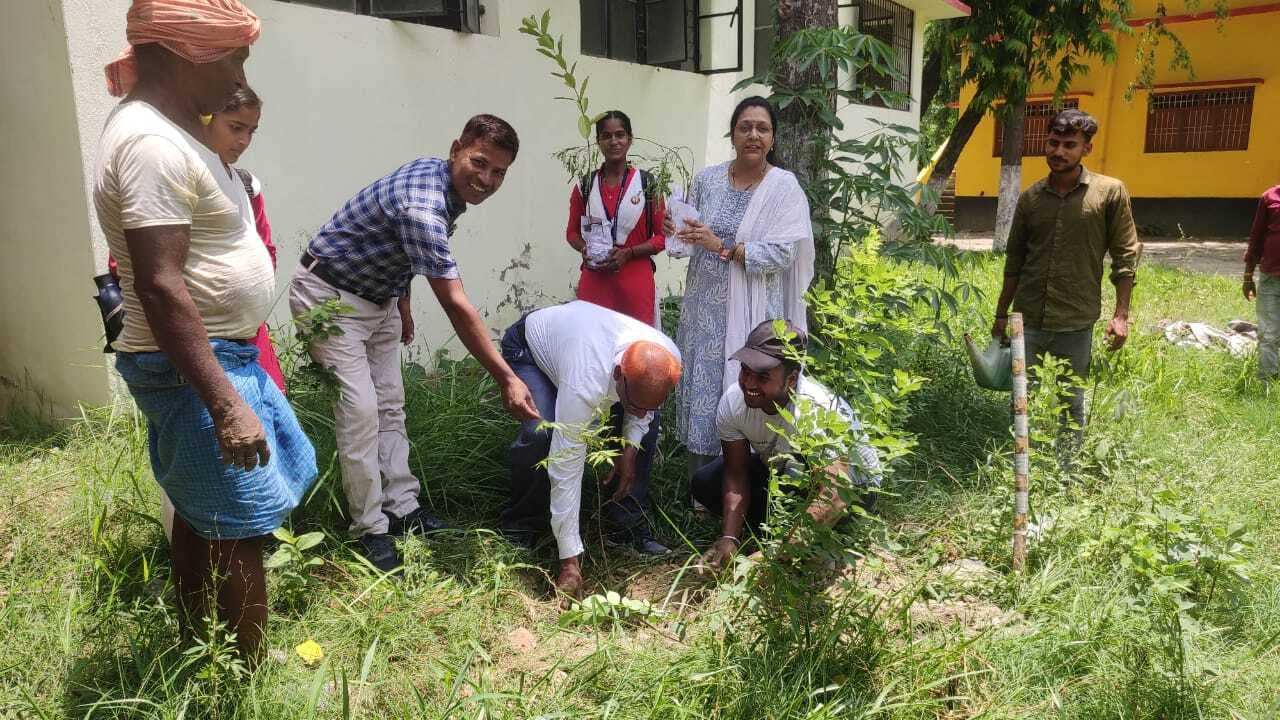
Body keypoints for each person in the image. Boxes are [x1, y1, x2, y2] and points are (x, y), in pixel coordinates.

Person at [93, 0, 316, 662]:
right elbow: (161, 284)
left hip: (219, 354)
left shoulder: (171, 129)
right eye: (236, 55)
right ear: (190, 56)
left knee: (200, 514)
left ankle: (202, 646)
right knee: (239, 528)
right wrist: (224, 403)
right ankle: (244, 679)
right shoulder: (151, 145)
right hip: (195, 367)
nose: (243, 72)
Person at [289, 115, 539, 573]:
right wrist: (506, 376)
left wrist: (400, 303)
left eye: (499, 172)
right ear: (455, 147)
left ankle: (402, 508)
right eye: (479, 163)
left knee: (390, 405)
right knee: (360, 413)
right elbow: (456, 305)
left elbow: (397, 247)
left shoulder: (444, 184)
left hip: (378, 295)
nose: (486, 180)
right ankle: (370, 529)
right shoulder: (423, 206)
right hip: (328, 296)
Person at [666, 96, 815, 480]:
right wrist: (676, 231)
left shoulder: (784, 188)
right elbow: (689, 239)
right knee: (706, 382)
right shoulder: (707, 180)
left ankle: (754, 481)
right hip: (705, 306)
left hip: (756, 308)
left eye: (762, 128)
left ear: (773, 138)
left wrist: (724, 248)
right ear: (732, 134)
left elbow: (783, 253)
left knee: (750, 380)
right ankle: (705, 484)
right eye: (744, 127)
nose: (753, 135)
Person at [499, 300, 682, 599]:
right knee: (541, 434)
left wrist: (630, 450)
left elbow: (645, 411)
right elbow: (566, 463)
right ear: (619, 374)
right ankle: (522, 524)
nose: (638, 413)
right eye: (633, 405)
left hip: (580, 349)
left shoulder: (667, 358)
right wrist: (569, 561)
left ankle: (625, 526)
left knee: (644, 432)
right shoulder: (588, 377)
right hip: (530, 349)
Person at [108, 85, 284, 392]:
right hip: (197, 343)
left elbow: (264, 247)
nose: (243, 141)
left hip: (248, 336)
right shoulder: (175, 174)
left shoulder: (244, 185)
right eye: (235, 127)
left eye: (251, 131)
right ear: (206, 119)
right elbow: (134, 262)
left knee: (267, 418)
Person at [992, 108, 1139, 450]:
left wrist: (1121, 316)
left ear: (1086, 148)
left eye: (1069, 145)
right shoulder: (1030, 198)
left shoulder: (1109, 194)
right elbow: (1014, 260)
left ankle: (1067, 471)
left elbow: (1125, 257)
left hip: (1075, 319)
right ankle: (1017, 462)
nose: (1058, 152)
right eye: (1053, 142)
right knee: (1018, 399)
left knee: (1070, 403)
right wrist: (1001, 313)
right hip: (1027, 318)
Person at [691, 320, 881, 572]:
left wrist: (776, 556)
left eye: (762, 377)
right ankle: (786, 536)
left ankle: (808, 543)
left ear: (791, 379)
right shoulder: (733, 402)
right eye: (745, 371)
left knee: (824, 499)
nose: (748, 384)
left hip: (853, 490)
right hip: (787, 473)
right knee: (706, 482)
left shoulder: (815, 410)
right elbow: (736, 472)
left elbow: (835, 492)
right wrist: (729, 538)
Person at [565, 110, 666, 327]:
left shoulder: (648, 184)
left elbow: (662, 238)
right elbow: (572, 233)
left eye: (620, 135)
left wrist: (628, 253)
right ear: (598, 141)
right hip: (595, 280)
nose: (613, 141)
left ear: (630, 139)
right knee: (592, 342)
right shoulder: (585, 185)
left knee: (635, 349)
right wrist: (585, 249)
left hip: (635, 282)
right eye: (606, 136)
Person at [1243, 183, 1280, 382]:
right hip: (1271, 279)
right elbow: (1256, 239)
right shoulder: (1270, 197)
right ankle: (1268, 381)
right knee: (1269, 333)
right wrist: (1247, 276)